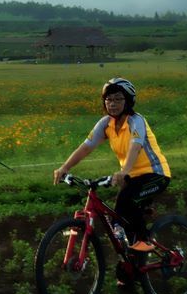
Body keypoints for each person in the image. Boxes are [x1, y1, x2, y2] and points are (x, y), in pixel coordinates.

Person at [53, 77, 171, 251]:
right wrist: (65, 168)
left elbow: (135, 146)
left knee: (126, 201)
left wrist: (124, 171)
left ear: (128, 101)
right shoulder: (105, 123)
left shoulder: (136, 121)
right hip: (131, 177)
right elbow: (86, 147)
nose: (112, 104)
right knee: (121, 214)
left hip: (155, 175)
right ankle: (130, 268)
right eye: (108, 100)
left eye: (118, 99)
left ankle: (144, 242)